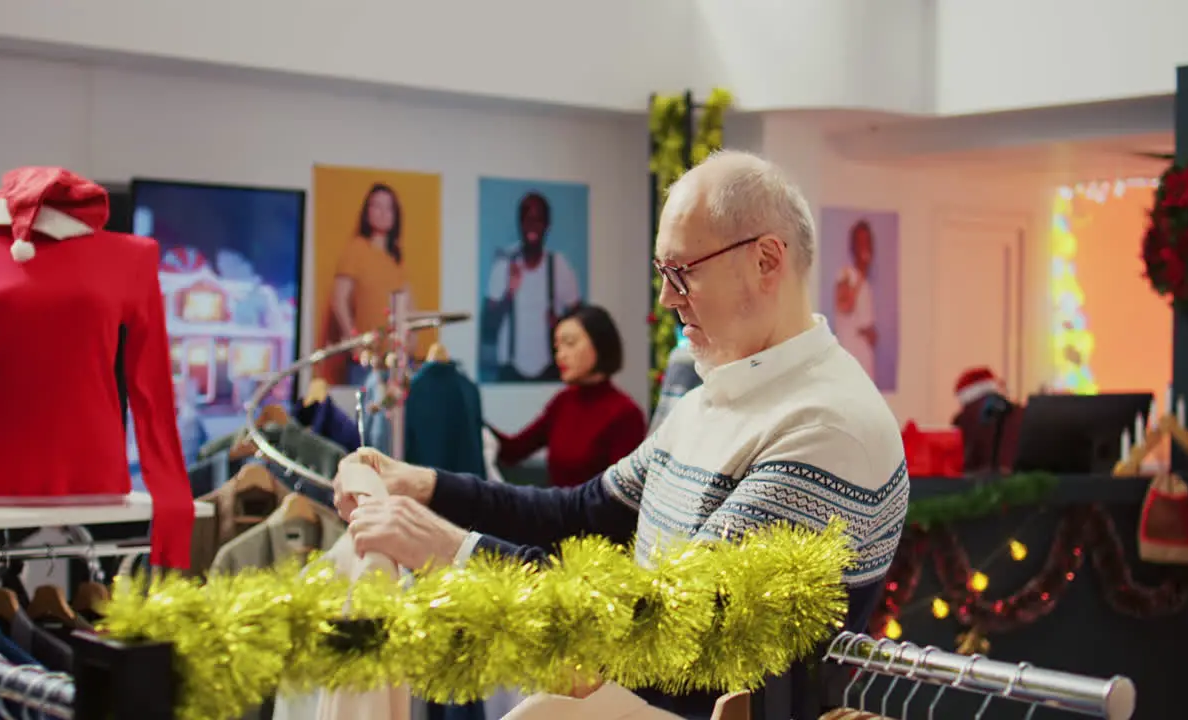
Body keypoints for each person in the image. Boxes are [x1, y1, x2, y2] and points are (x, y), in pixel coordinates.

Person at [338, 151, 908, 719]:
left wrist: (447, 547)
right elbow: (584, 513)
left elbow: (661, 624)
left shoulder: (825, 428)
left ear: (766, 260)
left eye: (683, 271)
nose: (666, 298)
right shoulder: (715, 397)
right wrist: (425, 486)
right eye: (663, 274)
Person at [492, 304, 646, 488]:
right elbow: (512, 452)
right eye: (557, 347)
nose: (560, 356)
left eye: (570, 343)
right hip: (555, 514)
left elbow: (622, 495)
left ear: (600, 344)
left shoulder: (626, 414)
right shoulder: (563, 402)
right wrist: (468, 411)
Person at [481, 191, 582, 382]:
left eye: (538, 219)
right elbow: (487, 328)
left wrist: (561, 322)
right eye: (527, 219)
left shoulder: (559, 265)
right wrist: (509, 293)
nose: (532, 225)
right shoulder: (504, 265)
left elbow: (580, 317)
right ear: (520, 223)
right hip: (510, 372)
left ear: (547, 225)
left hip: (551, 371)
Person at [320, 183, 408, 387]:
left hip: (395, 360)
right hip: (366, 360)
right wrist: (355, 343)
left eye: (388, 208)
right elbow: (338, 299)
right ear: (367, 212)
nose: (382, 212)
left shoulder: (395, 260)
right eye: (376, 206)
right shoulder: (356, 249)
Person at [832, 220, 878, 383]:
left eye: (867, 242)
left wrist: (871, 334)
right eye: (860, 242)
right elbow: (845, 305)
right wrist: (862, 272)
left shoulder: (865, 282)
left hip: (865, 355)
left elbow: (864, 321)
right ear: (853, 246)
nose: (864, 247)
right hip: (850, 352)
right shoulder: (845, 274)